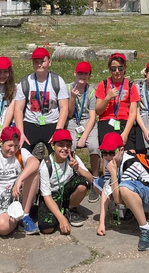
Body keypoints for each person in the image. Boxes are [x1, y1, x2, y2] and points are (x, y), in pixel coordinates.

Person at [95, 133, 149, 252]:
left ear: (121, 150)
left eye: (111, 152)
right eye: (104, 152)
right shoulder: (111, 163)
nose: (108, 156)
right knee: (98, 184)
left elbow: (119, 198)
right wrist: (101, 223)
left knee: (124, 188)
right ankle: (131, 211)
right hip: (137, 193)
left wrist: (113, 172)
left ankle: (145, 228)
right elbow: (106, 189)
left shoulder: (130, 162)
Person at [0, 126, 40, 236]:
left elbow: (35, 162)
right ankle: (18, 217)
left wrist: (19, 180)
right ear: (1, 142)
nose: (13, 149)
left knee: (33, 173)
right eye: (10, 145)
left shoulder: (22, 153)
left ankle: (25, 215)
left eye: (16, 146)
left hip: (19, 194)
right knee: (2, 227)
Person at [13, 47, 69, 157]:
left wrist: (58, 131)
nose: (39, 65)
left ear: (49, 62)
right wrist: (21, 133)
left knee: (59, 155)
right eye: (36, 62)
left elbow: (64, 108)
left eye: (42, 61)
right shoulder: (25, 82)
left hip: (52, 123)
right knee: (20, 155)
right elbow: (18, 109)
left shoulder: (57, 81)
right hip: (30, 123)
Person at [37, 129, 92, 234]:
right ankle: (58, 212)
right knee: (47, 228)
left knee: (82, 185)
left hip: (66, 191)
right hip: (52, 195)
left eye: (68, 145)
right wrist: (61, 218)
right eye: (61, 145)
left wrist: (77, 169)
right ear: (53, 145)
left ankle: (70, 209)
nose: (65, 149)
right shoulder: (46, 165)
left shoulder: (73, 157)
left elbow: (91, 179)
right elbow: (46, 195)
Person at [67, 61, 101, 202]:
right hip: (72, 121)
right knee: (70, 146)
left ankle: (95, 179)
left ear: (89, 76)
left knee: (94, 146)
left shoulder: (92, 91)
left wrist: (84, 137)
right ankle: (73, 175)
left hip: (88, 122)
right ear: (75, 73)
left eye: (85, 74)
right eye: (80, 73)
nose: (82, 76)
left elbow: (93, 116)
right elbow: (68, 114)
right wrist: (73, 98)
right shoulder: (67, 88)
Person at [94, 52, 140, 152]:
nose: (117, 71)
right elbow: (98, 111)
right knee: (108, 152)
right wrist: (107, 98)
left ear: (125, 68)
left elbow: (133, 113)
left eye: (120, 68)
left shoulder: (131, 86)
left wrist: (125, 133)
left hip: (125, 122)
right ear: (109, 69)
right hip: (107, 121)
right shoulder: (104, 84)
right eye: (113, 69)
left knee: (130, 152)